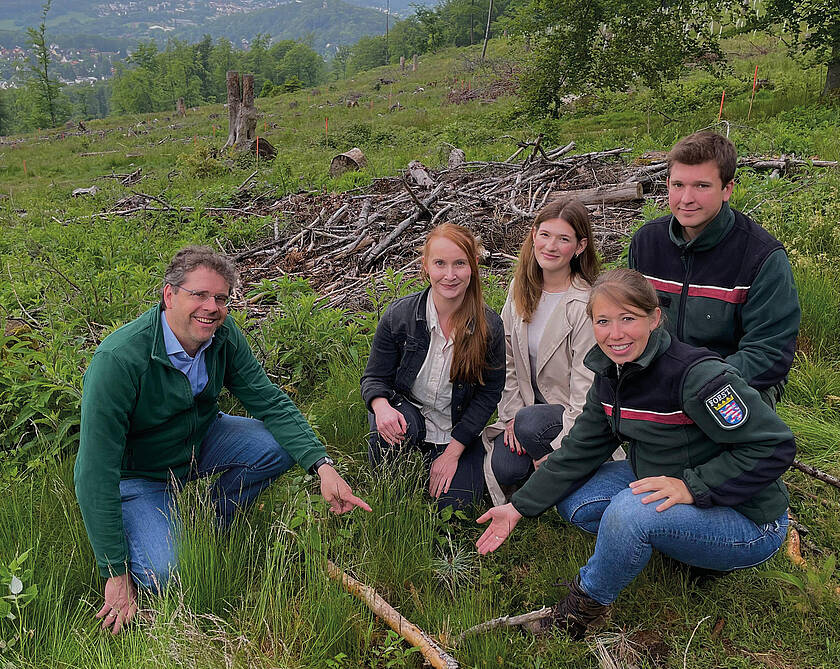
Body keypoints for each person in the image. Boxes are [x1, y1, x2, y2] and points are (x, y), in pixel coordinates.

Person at [476, 269, 795, 639]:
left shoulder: (696, 376)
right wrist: (518, 507)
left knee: (630, 512)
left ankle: (582, 610)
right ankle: (671, 545)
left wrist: (691, 486)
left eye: (628, 319)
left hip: (750, 520)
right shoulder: (611, 374)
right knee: (576, 501)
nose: (615, 334)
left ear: (654, 318)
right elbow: (578, 450)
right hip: (667, 476)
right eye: (603, 321)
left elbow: (775, 446)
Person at [75, 246, 370, 635]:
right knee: (172, 574)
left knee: (278, 446)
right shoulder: (119, 360)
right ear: (169, 296)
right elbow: (94, 472)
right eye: (199, 294)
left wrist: (323, 466)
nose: (211, 308)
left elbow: (269, 401)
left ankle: (212, 522)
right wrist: (114, 572)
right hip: (141, 474)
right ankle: (157, 530)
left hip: (201, 440)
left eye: (220, 298)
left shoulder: (222, 336)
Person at [628, 131, 800, 408]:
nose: (686, 198)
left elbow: (769, 352)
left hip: (737, 383)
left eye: (701, 186)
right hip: (659, 379)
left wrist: (695, 384)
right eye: (678, 185)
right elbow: (630, 321)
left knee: (708, 429)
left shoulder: (762, 256)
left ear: (727, 189)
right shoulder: (646, 243)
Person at [361, 223, 505, 509]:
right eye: (440, 263)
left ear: (474, 265)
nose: (450, 275)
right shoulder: (400, 316)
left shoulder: (489, 326)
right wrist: (381, 407)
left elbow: (489, 394)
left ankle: (443, 460)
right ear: (425, 266)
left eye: (459, 264)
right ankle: (397, 477)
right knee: (394, 490)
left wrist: (453, 453)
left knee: (454, 506)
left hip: (456, 428)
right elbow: (374, 377)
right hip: (407, 414)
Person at [481, 199, 611, 505]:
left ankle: (565, 470)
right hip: (526, 410)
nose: (551, 246)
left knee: (531, 424)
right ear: (533, 235)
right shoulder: (520, 288)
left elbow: (586, 389)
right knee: (505, 469)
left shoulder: (586, 303)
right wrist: (511, 416)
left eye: (563, 239)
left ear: (579, 247)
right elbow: (506, 359)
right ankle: (541, 471)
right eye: (545, 235)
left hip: (569, 416)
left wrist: (561, 448)